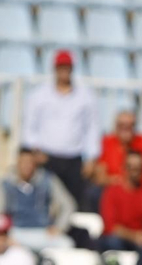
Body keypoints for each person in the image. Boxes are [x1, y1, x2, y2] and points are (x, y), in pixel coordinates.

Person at [21, 51, 101, 207]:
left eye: (67, 67)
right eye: (61, 67)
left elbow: (92, 128)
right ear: (55, 69)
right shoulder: (39, 95)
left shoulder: (85, 96)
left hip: (73, 159)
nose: (64, 71)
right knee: (45, 201)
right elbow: (29, 125)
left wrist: (91, 157)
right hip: (47, 158)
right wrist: (34, 150)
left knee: (73, 202)